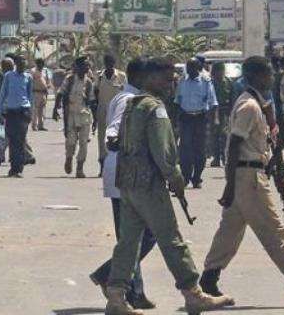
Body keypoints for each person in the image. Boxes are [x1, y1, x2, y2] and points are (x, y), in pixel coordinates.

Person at [199, 56, 284, 308]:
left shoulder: (258, 104)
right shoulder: (249, 106)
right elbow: (235, 144)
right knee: (274, 230)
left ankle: (208, 280)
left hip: (248, 174)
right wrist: (230, 184)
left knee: (229, 231)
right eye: (268, 74)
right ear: (255, 76)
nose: (271, 78)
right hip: (248, 177)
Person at [103, 58, 233, 315]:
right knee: (171, 239)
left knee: (128, 243)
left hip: (128, 183)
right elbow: (164, 153)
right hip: (149, 185)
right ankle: (193, 294)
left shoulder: (132, 104)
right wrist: (176, 180)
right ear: (151, 78)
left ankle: (116, 296)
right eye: (167, 80)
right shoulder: (154, 108)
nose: (170, 86)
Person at [89, 58, 156, 311]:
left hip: (126, 174)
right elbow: (114, 128)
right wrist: (113, 139)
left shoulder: (132, 97)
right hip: (124, 174)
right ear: (142, 77)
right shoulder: (128, 99)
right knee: (142, 234)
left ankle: (132, 290)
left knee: (135, 236)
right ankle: (114, 277)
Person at [175, 58, 217, 188]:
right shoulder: (182, 81)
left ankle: (197, 177)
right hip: (186, 118)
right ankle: (185, 176)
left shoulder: (206, 82)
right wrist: (177, 121)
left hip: (200, 118)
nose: (189, 70)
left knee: (200, 150)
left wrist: (213, 121)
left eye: (192, 67)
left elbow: (213, 103)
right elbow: (177, 101)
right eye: (188, 67)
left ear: (198, 68)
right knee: (185, 149)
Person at [55, 56, 95, 178]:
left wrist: (95, 119)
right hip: (71, 114)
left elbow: (92, 101)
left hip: (84, 115)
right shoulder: (70, 79)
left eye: (88, 65)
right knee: (71, 141)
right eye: (84, 65)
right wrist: (55, 109)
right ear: (77, 67)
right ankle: (69, 158)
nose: (87, 67)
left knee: (84, 143)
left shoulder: (89, 82)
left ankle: (80, 168)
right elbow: (60, 93)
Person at [0, 55, 34, 178]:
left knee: (20, 140)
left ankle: (19, 168)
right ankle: (13, 168)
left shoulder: (28, 77)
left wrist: (31, 113)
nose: (22, 63)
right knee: (12, 140)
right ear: (16, 64)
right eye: (20, 61)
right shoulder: (9, 76)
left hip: (23, 112)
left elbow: (30, 96)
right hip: (11, 112)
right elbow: (2, 94)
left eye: (24, 61)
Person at [95, 55, 128, 176]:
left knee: (117, 139)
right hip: (102, 113)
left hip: (117, 114)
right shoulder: (99, 76)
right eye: (107, 62)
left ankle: (117, 168)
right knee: (101, 140)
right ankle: (102, 167)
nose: (109, 64)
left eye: (111, 62)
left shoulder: (121, 76)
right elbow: (95, 94)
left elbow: (126, 93)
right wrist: (94, 116)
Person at [209, 63, 235, 168]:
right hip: (213, 111)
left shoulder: (229, 82)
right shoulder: (210, 83)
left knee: (225, 135)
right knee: (214, 135)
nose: (220, 73)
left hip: (225, 111)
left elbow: (233, 98)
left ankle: (225, 157)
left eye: (222, 70)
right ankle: (216, 158)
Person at [30, 58, 53, 131]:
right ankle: (34, 125)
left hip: (43, 92)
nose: (41, 65)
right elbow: (30, 82)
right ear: (37, 64)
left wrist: (48, 85)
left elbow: (48, 80)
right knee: (35, 110)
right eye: (40, 64)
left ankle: (41, 125)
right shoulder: (33, 71)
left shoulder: (45, 71)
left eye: (42, 64)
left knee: (42, 110)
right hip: (36, 92)